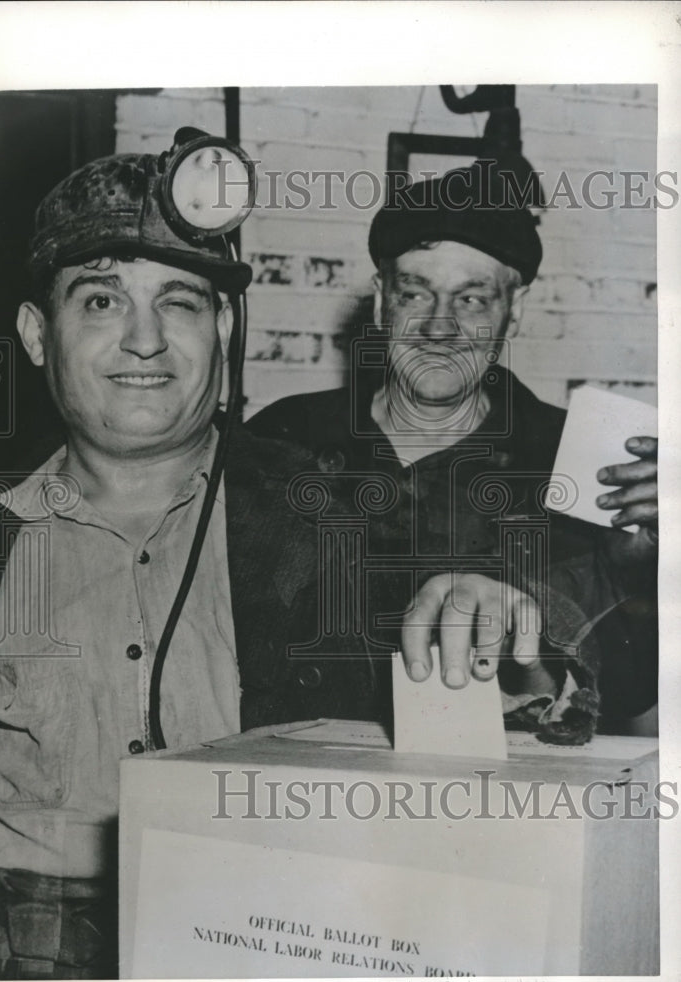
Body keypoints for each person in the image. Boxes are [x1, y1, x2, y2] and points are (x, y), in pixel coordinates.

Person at [0, 136, 392, 980]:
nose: (145, 340)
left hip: (273, 929)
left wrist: (516, 596)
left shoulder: (335, 515)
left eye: (181, 303)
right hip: (22, 947)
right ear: (36, 334)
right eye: (100, 301)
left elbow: (549, 635)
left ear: (223, 327)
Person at [248, 159, 658, 738]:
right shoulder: (282, 437)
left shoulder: (578, 457)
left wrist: (643, 571)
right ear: (380, 301)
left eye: (471, 300)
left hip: (500, 802)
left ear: (513, 312)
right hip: (293, 794)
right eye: (415, 294)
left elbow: (631, 689)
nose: (440, 327)